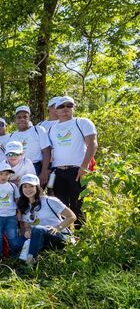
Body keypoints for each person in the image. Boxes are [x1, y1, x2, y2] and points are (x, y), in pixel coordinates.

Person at [47, 96, 97, 226]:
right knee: (60, 206)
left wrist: (84, 167)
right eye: (61, 106)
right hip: (57, 172)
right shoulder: (52, 129)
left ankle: (81, 238)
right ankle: (65, 236)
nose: (65, 109)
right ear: (55, 110)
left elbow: (92, 145)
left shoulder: (82, 122)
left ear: (73, 108)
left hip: (77, 171)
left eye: (69, 105)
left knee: (77, 205)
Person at [17, 174, 76, 266]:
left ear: (37, 187)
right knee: (16, 244)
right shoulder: (24, 206)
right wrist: (27, 232)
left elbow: (72, 216)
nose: (28, 189)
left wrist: (57, 228)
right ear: (21, 189)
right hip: (39, 237)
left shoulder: (49, 201)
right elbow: (27, 226)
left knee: (38, 229)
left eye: (31, 186)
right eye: (25, 186)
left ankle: (30, 263)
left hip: (59, 236)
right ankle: (27, 260)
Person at [8, 105, 51, 183]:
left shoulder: (38, 130)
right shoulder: (12, 135)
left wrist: (44, 171)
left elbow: (46, 151)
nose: (22, 119)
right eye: (19, 117)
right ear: (15, 119)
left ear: (29, 118)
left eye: (25, 117)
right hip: (17, 169)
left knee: (34, 193)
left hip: (35, 167)